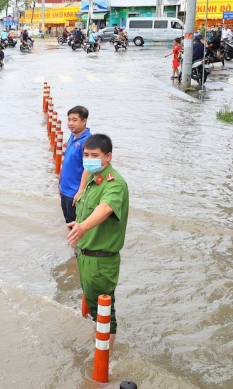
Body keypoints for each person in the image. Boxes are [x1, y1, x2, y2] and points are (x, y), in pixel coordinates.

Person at [66, 134, 129, 351]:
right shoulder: (94, 178)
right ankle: (98, 348)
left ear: (108, 157)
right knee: (95, 308)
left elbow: (105, 208)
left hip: (101, 261)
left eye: (95, 155)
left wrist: (83, 227)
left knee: (104, 313)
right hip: (86, 256)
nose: (89, 159)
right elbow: (90, 209)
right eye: (86, 155)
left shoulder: (115, 183)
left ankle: (105, 363)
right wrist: (79, 222)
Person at [59, 106, 91, 223]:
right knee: (68, 223)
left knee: (76, 226)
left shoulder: (87, 141)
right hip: (65, 189)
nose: (70, 123)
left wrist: (80, 191)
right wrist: (60, 182)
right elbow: (67, 161)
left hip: (75, 193)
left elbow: (88, 168)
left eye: (74, 120)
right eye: (69, 120)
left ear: (84, 121)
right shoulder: (73, 136)